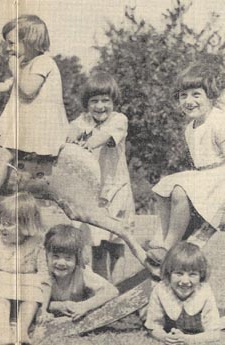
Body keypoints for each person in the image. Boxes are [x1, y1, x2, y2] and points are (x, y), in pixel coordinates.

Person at [0, 15, 69, 220]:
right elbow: (5, 86)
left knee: (3, 154)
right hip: (28, 124)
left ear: (30, 41)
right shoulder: (26, 65)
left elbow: (28, 90)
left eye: (12, 43)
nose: (8, 48)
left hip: (40, 126)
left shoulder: (43, 62)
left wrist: (15, 68)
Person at [147, 63, 225, 265]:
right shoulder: (190, 129)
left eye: (196, 94)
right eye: (183, 95)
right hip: (210, 175)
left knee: (180, 190)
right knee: (163, 188)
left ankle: (168, 247)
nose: (189, 101)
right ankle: (164, 238)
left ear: (210, 96)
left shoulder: (220, 122)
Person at [69, 71, 135, 281]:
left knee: (116, 245)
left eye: (105, 101)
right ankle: (104, 292)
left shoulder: (118, 120)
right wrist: (69, 141)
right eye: (94, 101)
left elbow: (103, 138)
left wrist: (84, 145)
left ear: (113, 101)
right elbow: (70, 132)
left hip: (116, 189)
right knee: (97, 246)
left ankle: (118, 289)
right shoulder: (83, 121)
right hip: (93, 192)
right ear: (87, 104)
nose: (100, 106)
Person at [0, 192, 51, 344]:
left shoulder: (37, 245)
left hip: (27, 286)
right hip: (1, 286)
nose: (2, 228)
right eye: (1, 223)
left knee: (32, 297)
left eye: (8, 224)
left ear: (26, 226)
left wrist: (43, 308)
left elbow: (45, 278)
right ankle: (3, 330)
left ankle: (22, 331)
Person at [145, 242, 220, 343]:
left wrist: (189, 339)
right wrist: (164, 337)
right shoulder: (161, 290)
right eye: (179, 273)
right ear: (169, 273)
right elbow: (153, 326)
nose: (185, 281)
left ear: (201, 275)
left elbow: (214, 334)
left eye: (192, 274)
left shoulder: (204, 291)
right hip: (167, 328)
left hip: (196, 333)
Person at [44, 224, 119, 321]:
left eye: (68, 258)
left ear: (77, 259)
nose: (61, 263)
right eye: (55, 256)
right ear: (46, 255)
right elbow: (32, 301)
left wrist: (85, 306)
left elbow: (112, 291)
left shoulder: (81, 272)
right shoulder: (44, 273)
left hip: (80, 307)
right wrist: (57, 306)